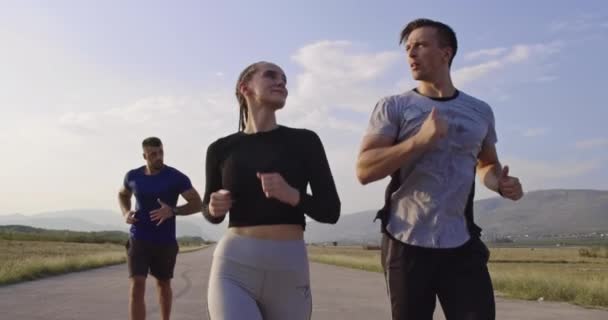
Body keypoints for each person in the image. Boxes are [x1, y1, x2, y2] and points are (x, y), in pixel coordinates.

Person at [356, 18, 524, 320]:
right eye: (408, 48)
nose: (411, 53)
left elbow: (485, 164)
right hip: (406, 240)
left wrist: (500, 183)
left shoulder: (480, 111)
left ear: (446, 53)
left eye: (420, 45)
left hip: (461, 242)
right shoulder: (393, 106)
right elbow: (364, 170)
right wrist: (419, 141)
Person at [202, 61, 341, 320]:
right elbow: (210, 212)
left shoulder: (305, 141)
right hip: (234, 266)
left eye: (284, 79)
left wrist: (293, 195)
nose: (281, 82)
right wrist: (212, 207)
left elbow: (331, 210)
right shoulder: (220, 149)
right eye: (271, 75)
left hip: (289, 268)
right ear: (245, 87)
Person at [118, 137, 203, 320]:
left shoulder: (176, 177)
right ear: (144, 156)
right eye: (153, 154)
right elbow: (122, 194)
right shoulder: (132, 176)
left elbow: (197, 203)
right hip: (138, 238)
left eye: (161, 153)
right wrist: (125, 212)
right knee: (137, 284)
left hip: (164, 241)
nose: (159, 157)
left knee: (163, 285)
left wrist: (172, 210)